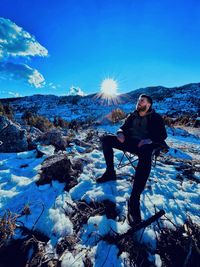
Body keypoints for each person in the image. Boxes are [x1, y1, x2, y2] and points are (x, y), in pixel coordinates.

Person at [96, 94, 168, 225]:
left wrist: (149, 140)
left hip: (145, 145)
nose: (139, 103)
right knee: (106, 139)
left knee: (146, 153)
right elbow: (122, 127)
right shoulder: (132, 115)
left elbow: (163, 135)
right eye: (138, 100)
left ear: (149, 104)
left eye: (142, 101)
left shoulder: (155, 117)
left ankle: (134, 199)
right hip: (129, 142)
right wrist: (120, 133)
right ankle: (110, 172)